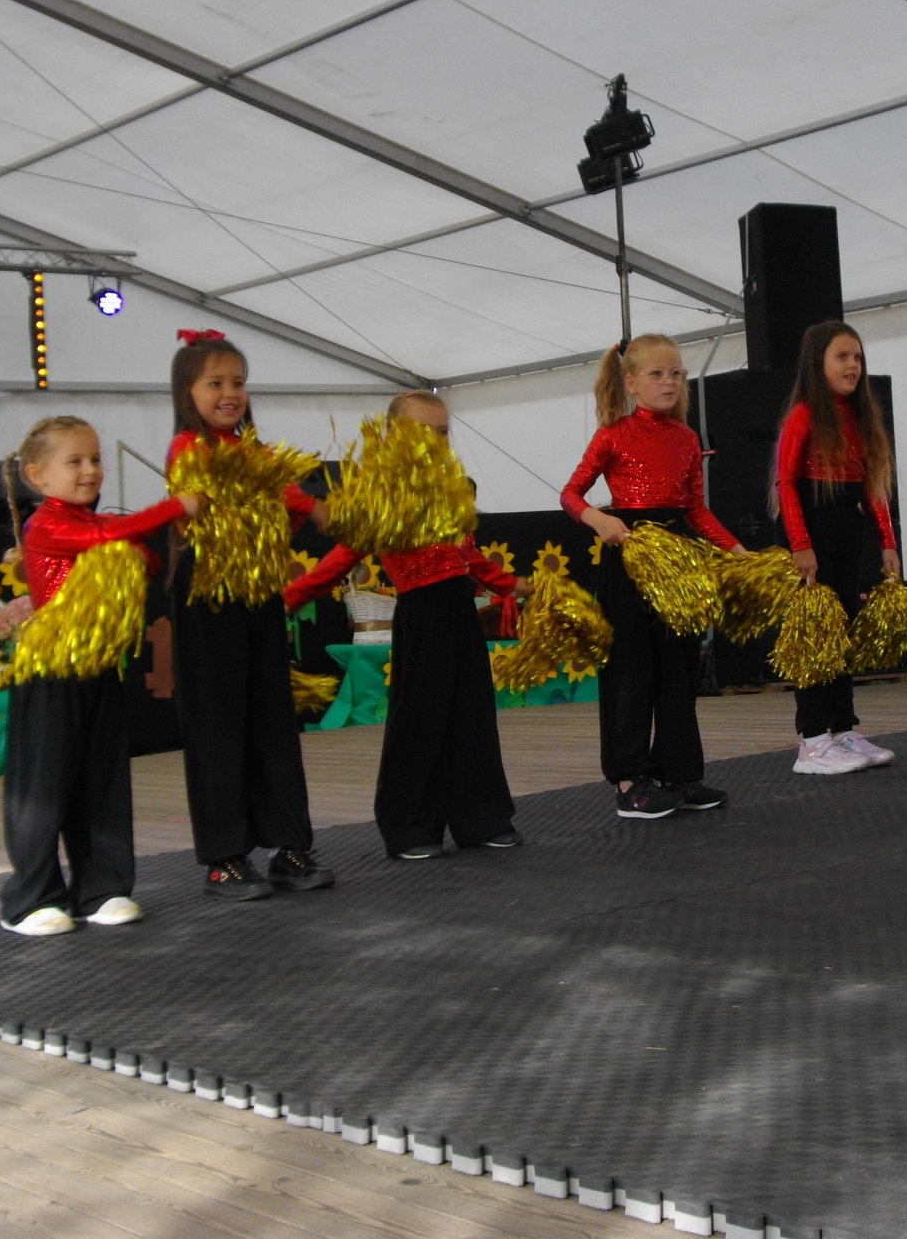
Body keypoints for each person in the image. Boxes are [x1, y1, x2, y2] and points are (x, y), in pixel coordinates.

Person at [286, 392, 528, 859]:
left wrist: (514, 585)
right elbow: (344, 556)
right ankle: (411, 828)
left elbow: (469, 558)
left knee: (473, 718)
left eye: (442, 433)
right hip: (421, 619)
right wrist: (293, 596)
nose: (434, 442)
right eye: (422, 433)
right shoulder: (385, 496)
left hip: (461, 617)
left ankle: (482, 820)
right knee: (419, 722)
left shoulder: (451, 492)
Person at [0, 416, 200, 936]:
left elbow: (142, 558)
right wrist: (173, 506)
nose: (90, 470)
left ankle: (102, 888)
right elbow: (109, 536)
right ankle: (31, 899)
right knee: (43, 786)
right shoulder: (44, 524)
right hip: (50, 668)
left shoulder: (91, 522)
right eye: (75, 461)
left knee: (103, 778)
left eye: (95, 459)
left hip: (98, 665)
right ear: (37, 476)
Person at [166, 330, 332, 901]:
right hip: (208, 587)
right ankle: (225, 857)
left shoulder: (256, 450)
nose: (230, 393)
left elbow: (282, 500)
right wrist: (306, 503)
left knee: (273, 716)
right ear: (187, 393)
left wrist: (320, 510)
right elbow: (234, 494)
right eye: (215, 383)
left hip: (257, 586)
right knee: (217, 720)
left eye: (238, 382)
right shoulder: (188, 447)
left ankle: (289, 845)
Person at [563, 334, 744, 816]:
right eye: (657, 374)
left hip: (679, 561)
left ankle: (679, 773)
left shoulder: (686, 439)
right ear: (631, 383)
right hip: (630, 557)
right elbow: (571, 494)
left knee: (679, 668)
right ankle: (629, 780)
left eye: (676, 374)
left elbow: (695, 510)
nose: (669, 382)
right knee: (630, 669)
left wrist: (737, 551)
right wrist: (599, 520)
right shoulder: (612, 435)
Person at [774, 321, 903, 775]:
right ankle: (812, 741)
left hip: (848, 529)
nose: (853, 366)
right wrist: (800, 544)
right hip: (812, 529)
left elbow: (872, 488)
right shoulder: (804, 415)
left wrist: (887, 542)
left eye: (858, 357)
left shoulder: (861, 417)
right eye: (842, 357)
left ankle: (843, 729)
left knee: (843, 632)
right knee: (816, 636)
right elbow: (786, 482)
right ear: (818, 364)